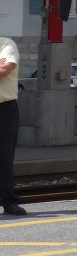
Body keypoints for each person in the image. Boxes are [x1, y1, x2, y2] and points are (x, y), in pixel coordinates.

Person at [0, 36, 26, 216]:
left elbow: (4, 69)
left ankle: (9, 202)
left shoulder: (7, 45)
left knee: (4, 156)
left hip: (4, 108)